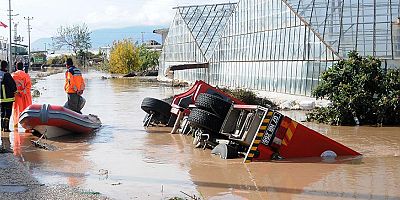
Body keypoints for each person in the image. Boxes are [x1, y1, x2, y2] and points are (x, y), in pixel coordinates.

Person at [12, 61, 32, 128]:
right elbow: (28, 87)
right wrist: (22, 92)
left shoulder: (13, 75)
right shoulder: (26, 75)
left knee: (16, 112)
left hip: (17, 97)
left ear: (16, 67)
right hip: (25, 97)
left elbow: (11, 87)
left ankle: (15, 127)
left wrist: (18, 92)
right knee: (27, 112)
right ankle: (28, 128)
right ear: (23, 67)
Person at [0, 61, 17, 132]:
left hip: (0, 98)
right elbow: (13, 85)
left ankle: (2, 127)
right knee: (8, 112)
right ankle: (6, 128)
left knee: (2, 112)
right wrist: (15, 91)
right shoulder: (6, 75)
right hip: (7, 98)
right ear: (6, 66)